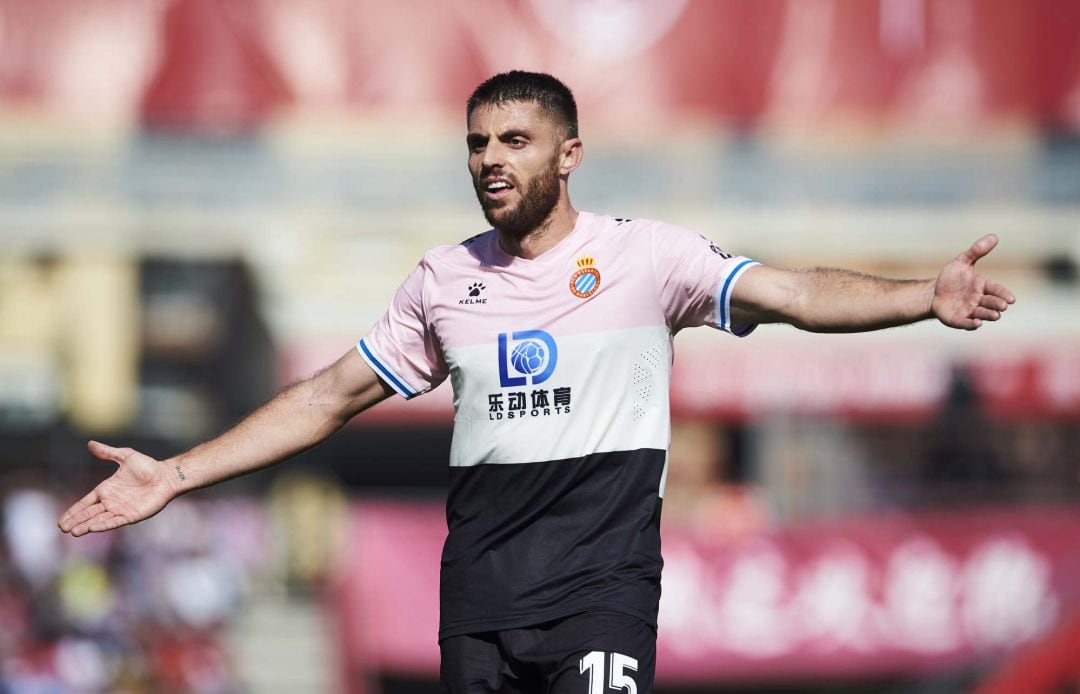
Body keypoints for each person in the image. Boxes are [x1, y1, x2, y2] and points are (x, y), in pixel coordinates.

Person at [58, 71, 1015, 693]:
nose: (488, 161)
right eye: (476, 144)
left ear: (569, 156)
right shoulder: (444, 280)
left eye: (513, 142)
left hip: (599, 591)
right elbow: (324, 398)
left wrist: (921, 297)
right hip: (479, 602)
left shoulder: (649, 259)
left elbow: (795, 291)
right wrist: (175, 476)